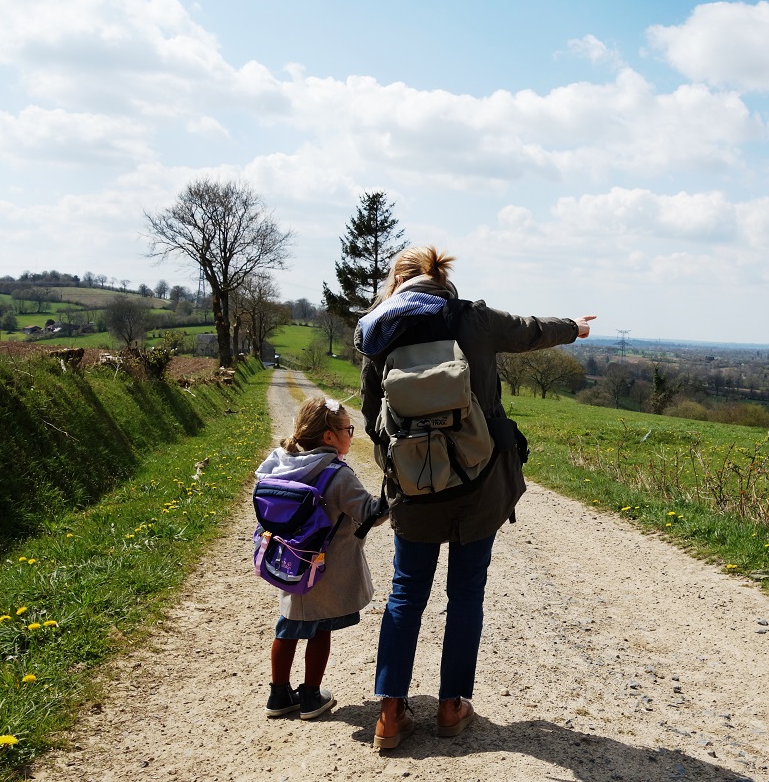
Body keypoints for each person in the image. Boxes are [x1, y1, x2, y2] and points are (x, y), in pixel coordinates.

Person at [355, 244, 594, 748]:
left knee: (406, 594)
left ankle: (390, 715)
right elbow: (531, 330)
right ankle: (449, 707)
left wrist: (405, 471)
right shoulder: (475, 320)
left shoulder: (379, 331)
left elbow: (373, 416)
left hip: (414, 488)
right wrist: (574, 326)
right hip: (481, 482)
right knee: (465, 594)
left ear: (396, 282)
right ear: (444, 277)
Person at [254, 396, 385, 720]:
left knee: (287, 627)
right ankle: (311, 696)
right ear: (329, 436)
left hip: (287, 562)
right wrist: (394, 493)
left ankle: (278, 694)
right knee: (320, 629)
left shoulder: (278, 462)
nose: (351, 435)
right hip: (322, 570)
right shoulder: (337, 475)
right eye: (348, 429)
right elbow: (369, 513)